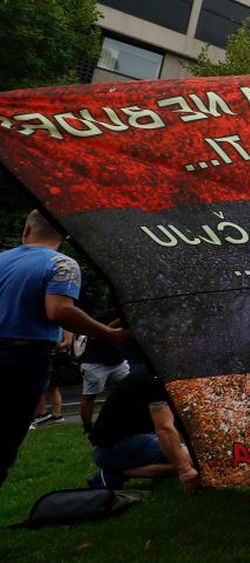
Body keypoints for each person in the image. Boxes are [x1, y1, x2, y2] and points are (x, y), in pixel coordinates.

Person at [0, 210, 132, 488]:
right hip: (23, 359)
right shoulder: (63, 264)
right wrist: (109, 333)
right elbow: (59, 311)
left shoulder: (1, 260)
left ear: (26, 229)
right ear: (67, 235)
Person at [86, 367, 201, 493]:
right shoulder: (156, 380)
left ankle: (123, 472)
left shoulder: (161, 374)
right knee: (195, 459)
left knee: (195, 456)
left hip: (128, 440)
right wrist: (185, 469)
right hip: (110, 449)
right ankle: (116, 474)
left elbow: (179, 426)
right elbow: (164, 428)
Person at [77, 309, 131, 434]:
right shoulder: (101, 316)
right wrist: (114, 326)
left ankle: (125, 422)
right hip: (95, 362)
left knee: (128, 390)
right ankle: (87, 427)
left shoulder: (128, 314)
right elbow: (94, 335)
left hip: (117, 361)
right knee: (90, 395)